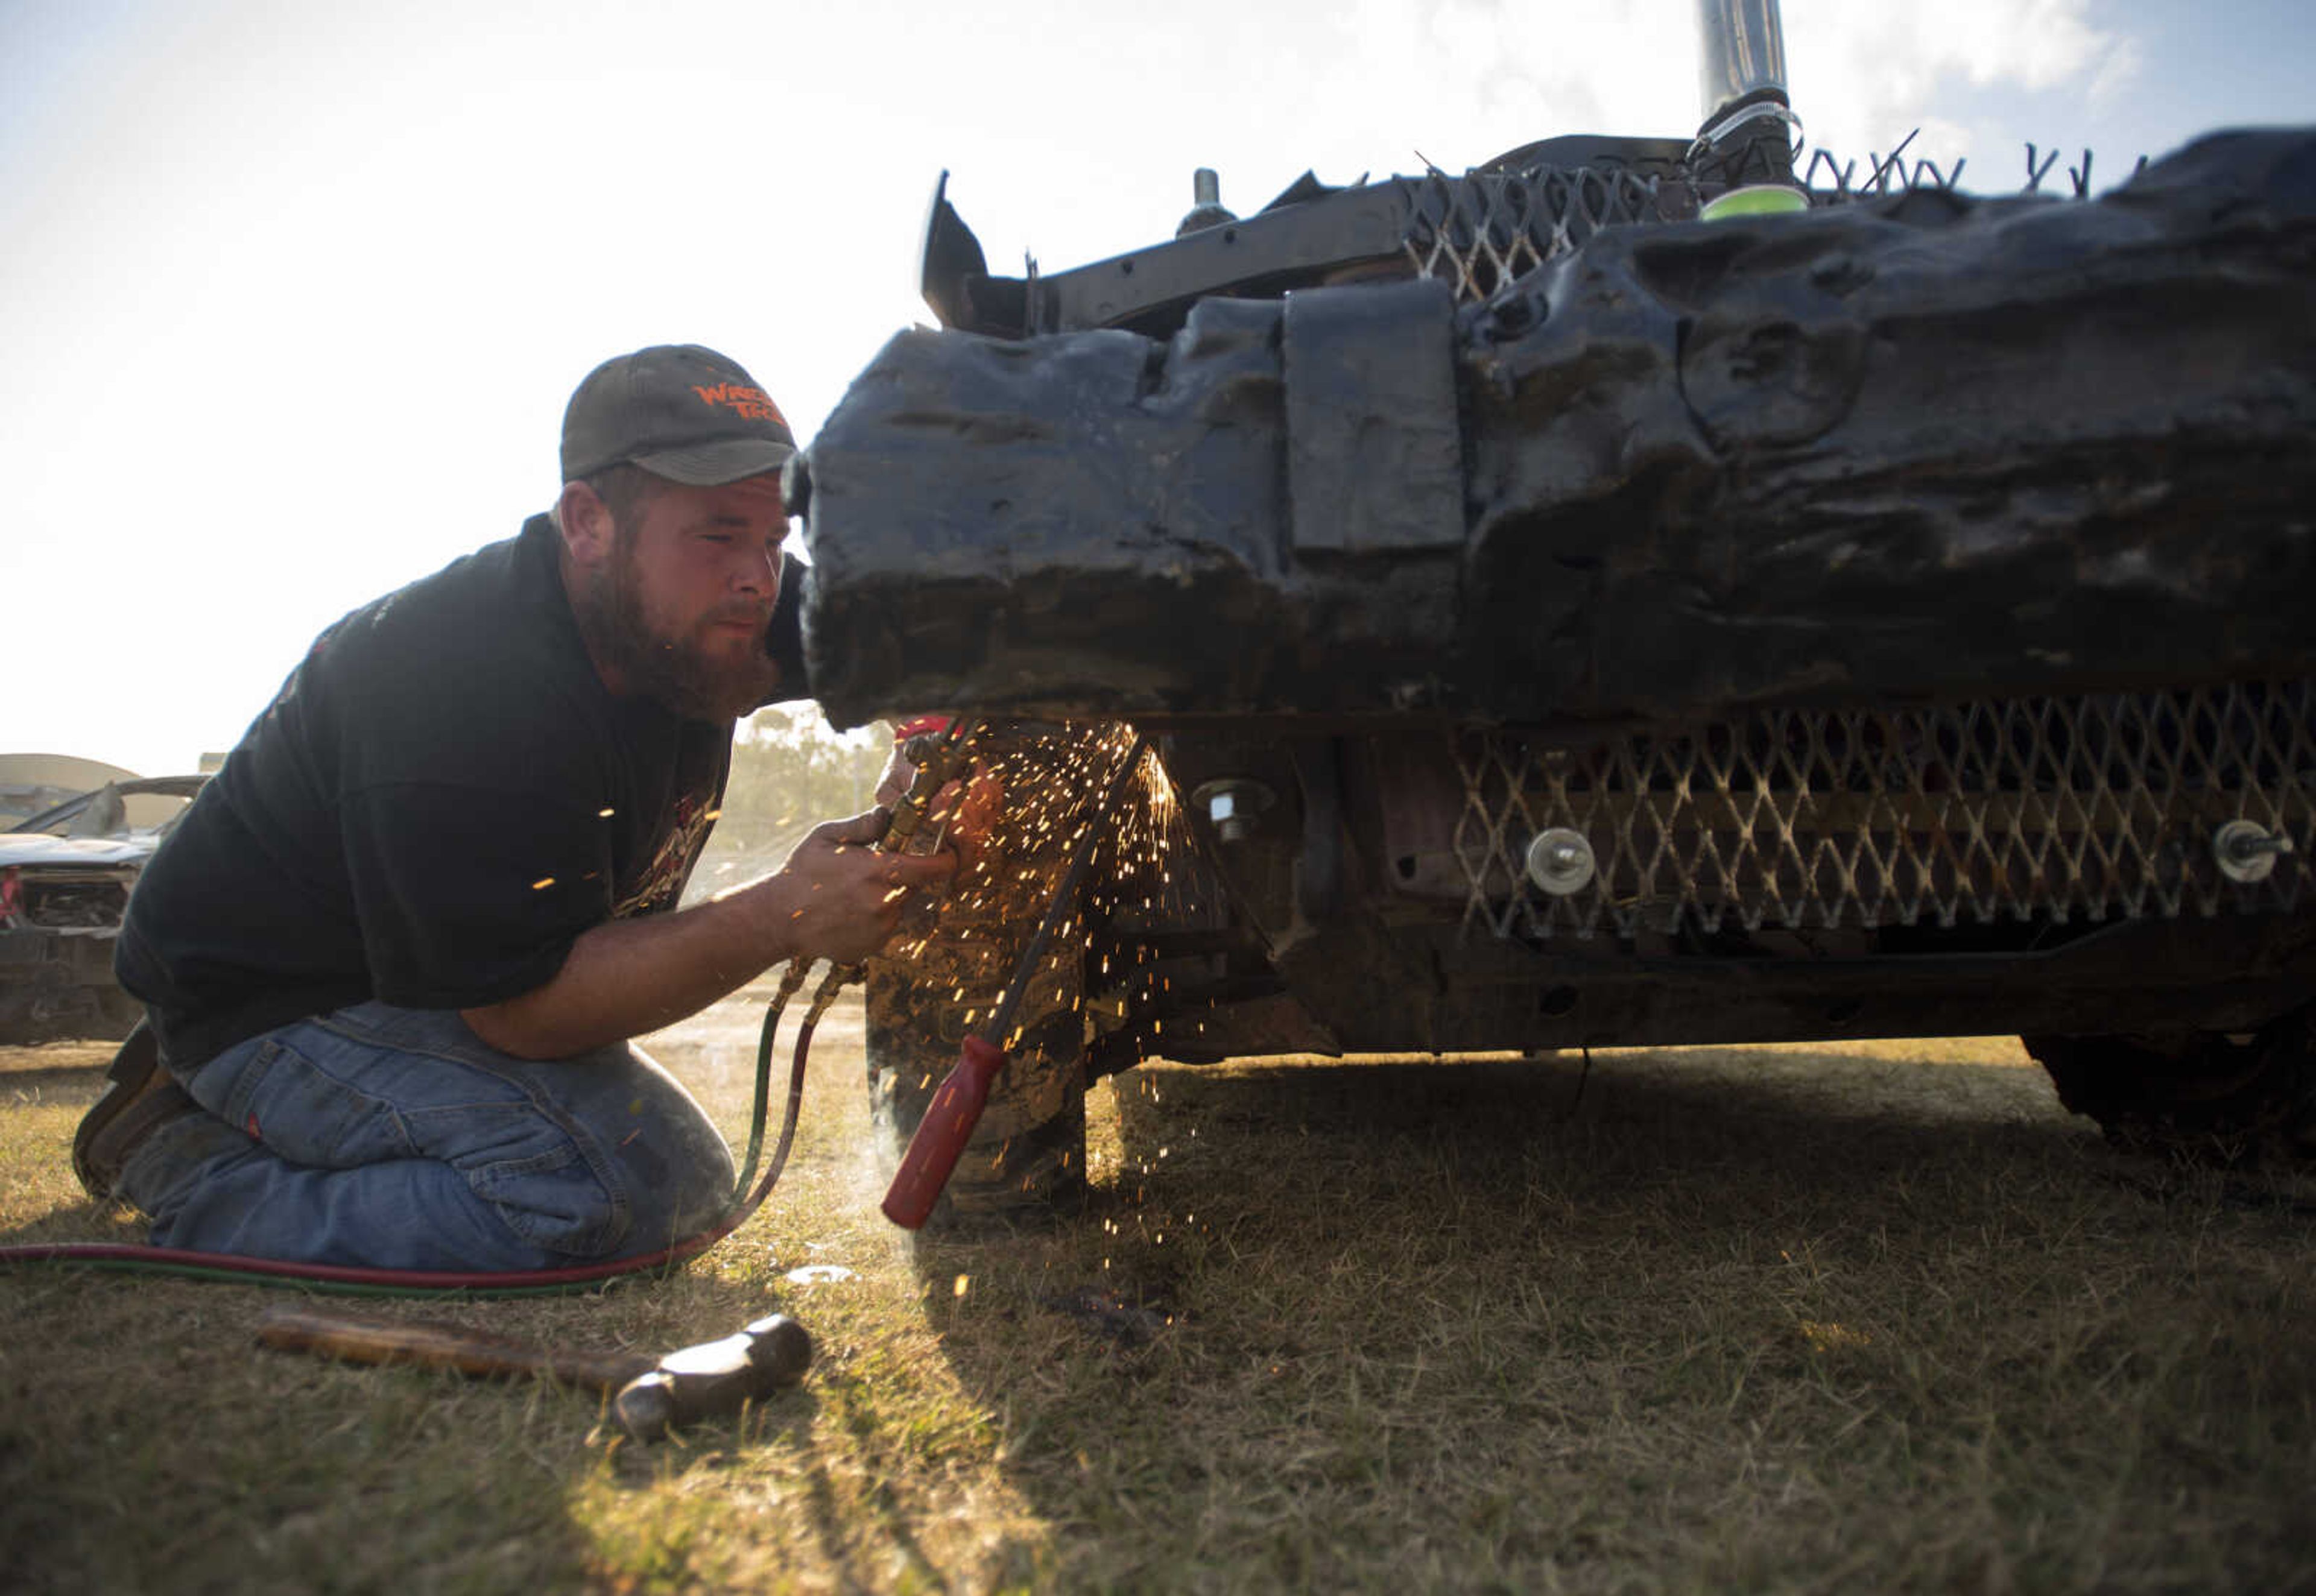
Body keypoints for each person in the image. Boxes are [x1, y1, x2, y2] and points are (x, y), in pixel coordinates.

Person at [71, 344, 955, 1270]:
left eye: (774, 538)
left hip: (433, 969)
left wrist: (930, 743)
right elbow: (522, 1012)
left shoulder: (720, 600)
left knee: (677, 1177)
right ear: (588, 522)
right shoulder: (466, 684)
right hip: (274, 996)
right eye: (719, 532)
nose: (760, 577)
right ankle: (185, 1161)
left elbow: (901, 651)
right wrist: (788, 912)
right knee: (614, 1195)